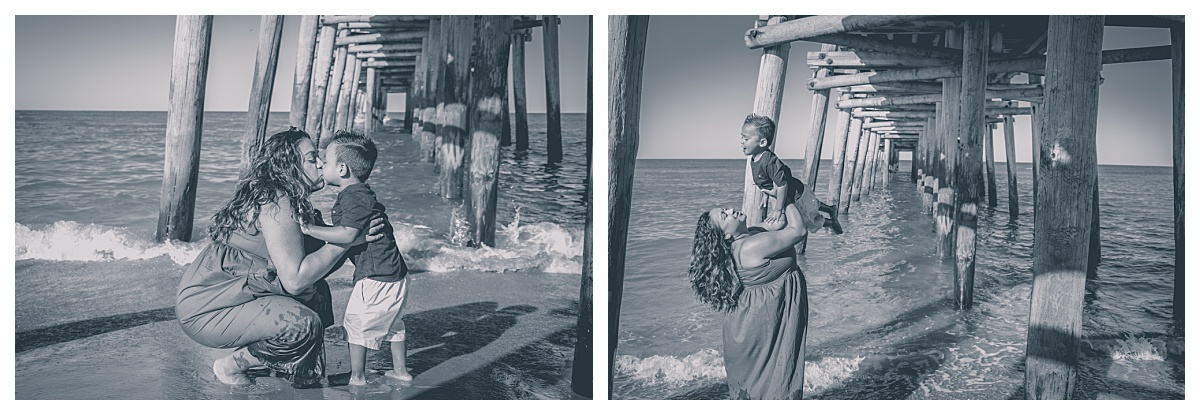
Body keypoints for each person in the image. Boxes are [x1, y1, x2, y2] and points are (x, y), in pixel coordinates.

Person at [175, 128, 389, 388]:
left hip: (232, 297)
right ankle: (231, 366)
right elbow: (295, 280)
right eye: (312, 159)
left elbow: (316, 271)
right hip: (207, 308)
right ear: (289, 166)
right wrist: (347, 241)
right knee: (302, 324)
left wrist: (351, 237)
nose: (321, 163)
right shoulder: (277, 200)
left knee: (316, 294)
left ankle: (279, 363)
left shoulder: (296, 202)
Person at [302, 131, 412, 386]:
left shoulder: (351, 197)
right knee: (393, 323)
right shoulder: (362, 194)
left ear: (341, 169)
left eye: (326, 162)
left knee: (355, 325)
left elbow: (348, 234)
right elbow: (350, 230)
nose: (321, 164)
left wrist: (309, 228)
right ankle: (401, 371)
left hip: (375, 276)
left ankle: (357, 377)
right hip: (395, 274)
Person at [689, 199, 809, 400]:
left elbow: (776, 224)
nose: (730, 210)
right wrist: (787, 197)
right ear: (726, 235)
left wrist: (777, 195)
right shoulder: (751, 246)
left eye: (725, 209)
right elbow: (798, 231)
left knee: (762, 391)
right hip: (760, 326)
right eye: (724, 215)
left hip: (753, 323)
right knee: (769, 389)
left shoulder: (750, 235)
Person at [740, 114, 843, 235]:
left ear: (762, 142)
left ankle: (831, 222)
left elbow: (782, 185)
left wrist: (778, 209)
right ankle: (831, 209)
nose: (741, 142)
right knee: (811, 206)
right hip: (791, 194)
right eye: (741, 137)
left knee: (809, 219)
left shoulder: (768, 160)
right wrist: (765, 196)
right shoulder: (755, 158)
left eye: (746, 139)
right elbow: (766, 181)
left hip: (795, 195)